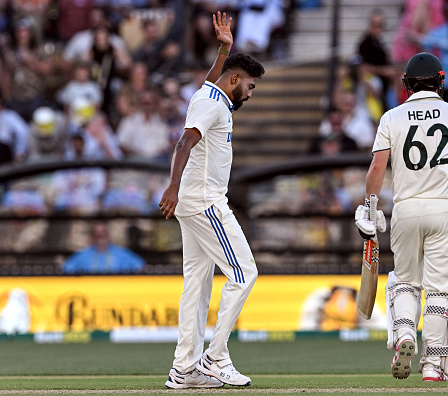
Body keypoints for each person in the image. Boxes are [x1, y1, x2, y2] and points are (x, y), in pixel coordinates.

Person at [354, 53, 448, 382]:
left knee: (405, 280)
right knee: (441, 290)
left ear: (406, 84)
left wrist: (370, 205)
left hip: (407, 208)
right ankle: (432, 365)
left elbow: (377, 167)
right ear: (441, 81)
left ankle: (405, 333)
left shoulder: (392, 117)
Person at [159, 12, 264, 389]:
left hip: (194, 199)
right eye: (249, 87)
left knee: (197, 285)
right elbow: (184, 141)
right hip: (204, 200)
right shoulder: (213, 104)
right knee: (244, 273)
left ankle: (184, 369)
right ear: (234, 80)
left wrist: (224, 49)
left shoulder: (209, 93)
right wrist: (172, 187)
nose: (249, 95)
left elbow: (211, 82)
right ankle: (216, 357)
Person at [62, 222, 146, 274]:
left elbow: (141, 266)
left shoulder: (122, 253)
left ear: (108, 235)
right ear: (92, 237)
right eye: (97, 234)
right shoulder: (82, 255)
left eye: (103, 234)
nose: (100, 237)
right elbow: (67, 268)